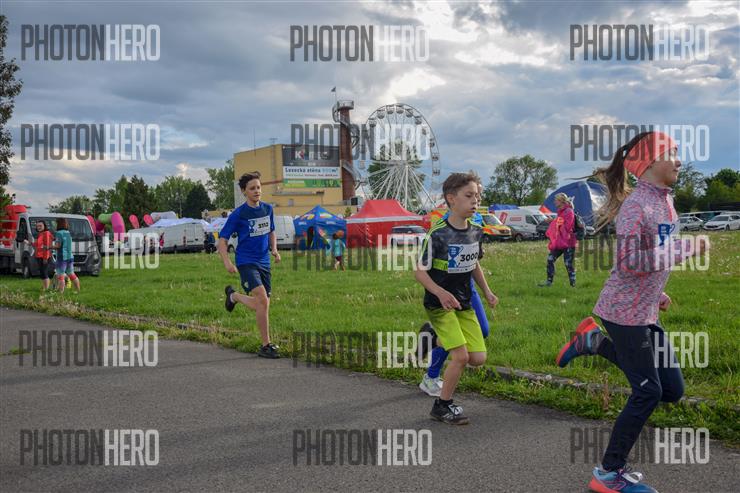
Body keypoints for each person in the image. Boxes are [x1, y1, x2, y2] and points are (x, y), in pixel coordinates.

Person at [554, 131, 708, 493]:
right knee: (647, 392)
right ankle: (609, 474)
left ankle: (592, 341)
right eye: (672, 153)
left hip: (644, 310)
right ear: (650, 162)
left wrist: (657, 292)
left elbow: (650, 258)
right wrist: (684, 250)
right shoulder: (637, 206)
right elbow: (629, 262)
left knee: (671, 390)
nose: (679, 160)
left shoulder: (666, 203)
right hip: (623, 313)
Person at [415, 172, 498, 425]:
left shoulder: (476, 231)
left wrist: (487, 291)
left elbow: (474, 264)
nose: (476, 201)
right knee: (460, 357)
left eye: (478, 196)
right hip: (439, 304)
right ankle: (442, 406)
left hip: (464, 303)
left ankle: (432, 338)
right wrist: (440, 292)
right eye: (469, 195)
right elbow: (419, 272)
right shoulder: (437, 234)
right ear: (451, 199)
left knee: (478, 358)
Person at [218, 171, 282, 359]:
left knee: (263, 304)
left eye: (259, 187)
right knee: (262, 299)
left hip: (264, 261)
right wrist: (227, 262)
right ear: (244, 191)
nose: (257, 191)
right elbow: (222, 240)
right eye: (252, 188)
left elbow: (271, 231)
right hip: (246, 261)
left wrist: (274, 249)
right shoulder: (238, 214)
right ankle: (266, 345)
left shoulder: (267, 209)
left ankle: (234, 296)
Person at [539, 192, 577, 287]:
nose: (554, 202)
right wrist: (553, 221)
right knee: (550, 259)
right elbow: (559, 224)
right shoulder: (560, 212)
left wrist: (553, 221)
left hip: (568, 242)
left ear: (561, 201)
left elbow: (567, 227)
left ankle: (573, 285)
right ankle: (549, 282)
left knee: (568, 264)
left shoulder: (569, 211)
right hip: (559, 242)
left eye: (556, 200)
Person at [24, 220, 53, 290]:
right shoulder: (41, 234)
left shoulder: (46, 233)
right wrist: (30, 243)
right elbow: (38, 244)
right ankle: (44, 287)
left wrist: (45, 258)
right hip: (39, 256)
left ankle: (46, 289)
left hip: (44, 256)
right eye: (37, 226)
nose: (38, 227)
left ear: (44, 226)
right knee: (42, 272)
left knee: (44, 272)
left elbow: (46, 246)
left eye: (40, 226)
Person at [53, 218, 79, 293]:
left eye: (56, 223)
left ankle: (61, 293)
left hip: (62, 257)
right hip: (69, 256)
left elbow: (58, 246)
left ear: (59, 224)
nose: (55, 225)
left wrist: (49, 247)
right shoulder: (68, 233)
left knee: (60, 275)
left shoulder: (59, 233)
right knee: (71, 274)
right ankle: (78, 290)